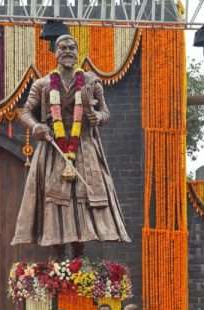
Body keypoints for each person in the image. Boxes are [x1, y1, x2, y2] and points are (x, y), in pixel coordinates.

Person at [13, 33, 130, 251]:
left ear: (77, 53)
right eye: (63, 47)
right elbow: (25, 112)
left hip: (84, 146)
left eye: (71, 48)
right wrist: (36, 126)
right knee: (53, 202)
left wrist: (98, 117)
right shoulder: (42, 84)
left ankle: (79, 256)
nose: (67, 51)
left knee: (83, 200)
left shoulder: (91, 82)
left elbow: (105, 112)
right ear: (55, 53)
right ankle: (57, 257)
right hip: (53, 147)